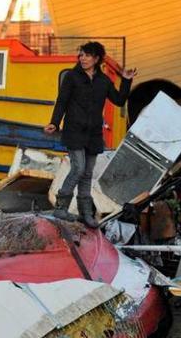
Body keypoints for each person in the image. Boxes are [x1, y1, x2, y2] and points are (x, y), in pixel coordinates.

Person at [45, 41, 137, 228]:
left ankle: (85, 213)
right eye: (81, 55)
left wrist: (126, 80)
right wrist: (54, 122)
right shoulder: (72, 77)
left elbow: (119, 100)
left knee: (87, 174)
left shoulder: (104, 81)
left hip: (94, 134)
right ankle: (61, 206)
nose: (82, 58)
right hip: (74, 131)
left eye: (87, 55)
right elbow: (62, 101)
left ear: (96, 59)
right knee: (78, 168)